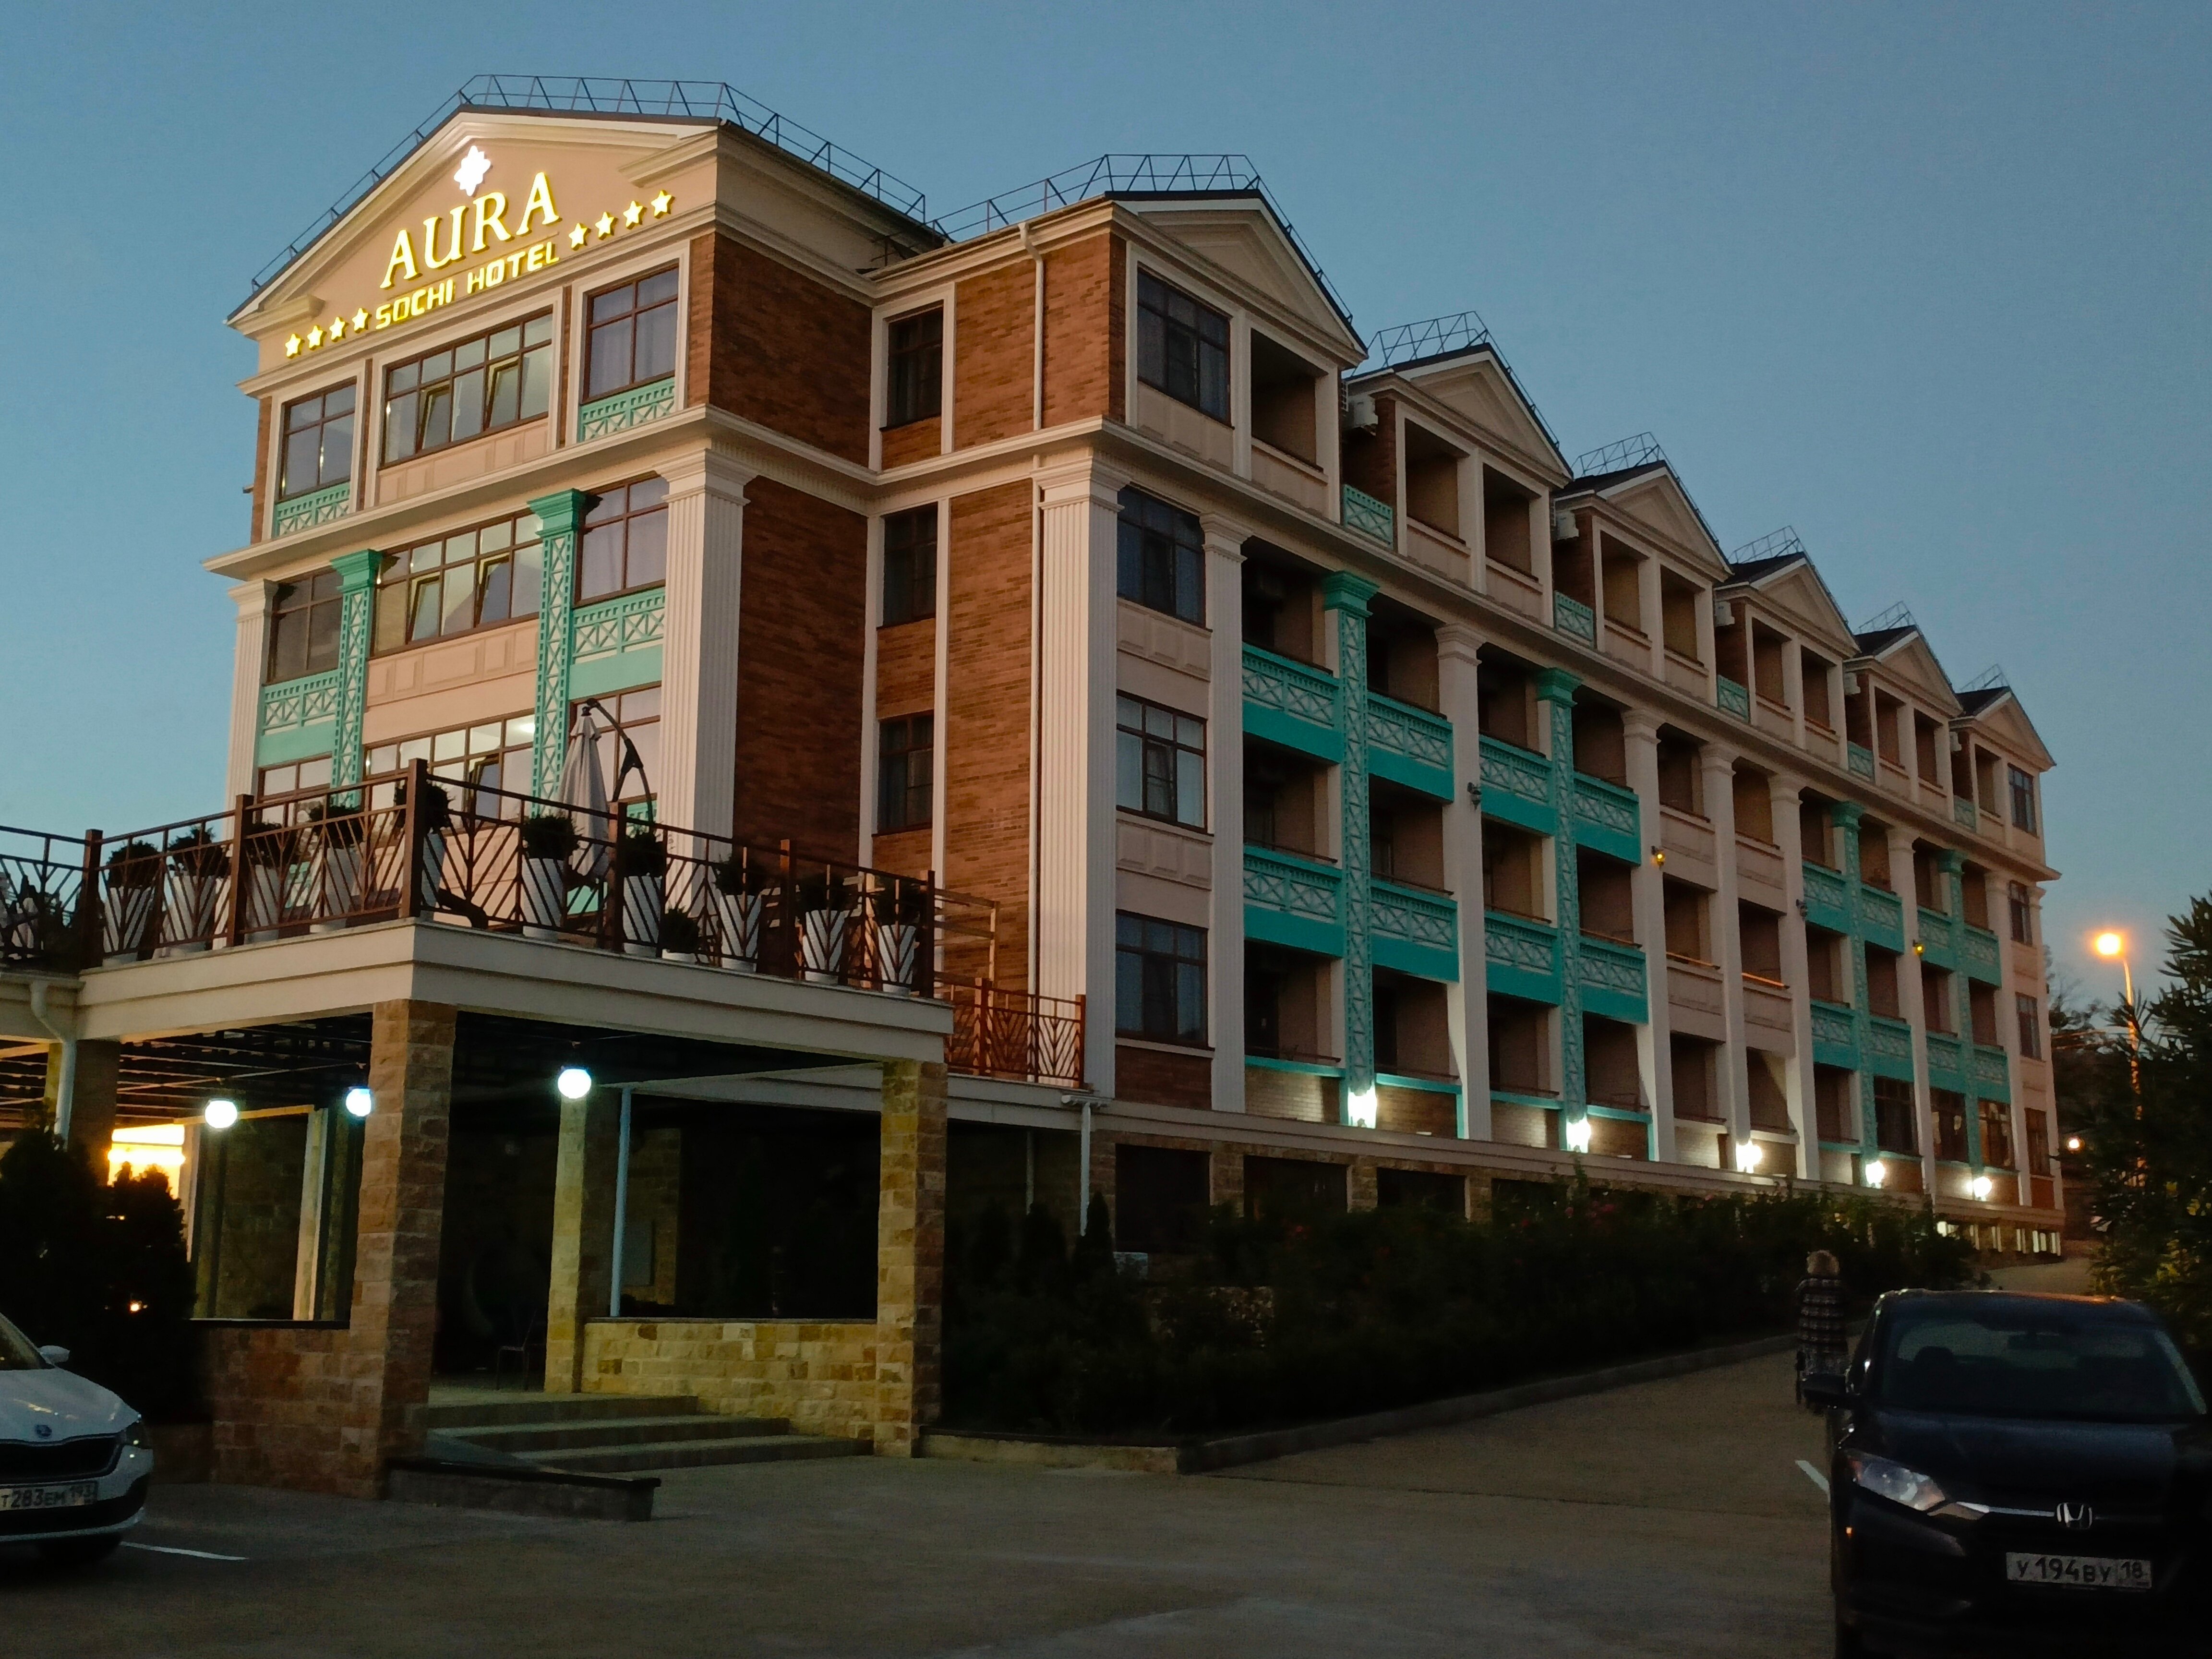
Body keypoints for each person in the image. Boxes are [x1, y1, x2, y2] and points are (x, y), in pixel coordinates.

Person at [1793, 1249, 1848, 1406]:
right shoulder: (1839, 1286)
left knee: (1813, 1365)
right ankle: (1830, 1397)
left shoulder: (1806, 1284)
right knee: (1832, 1368)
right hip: (1834, 1336)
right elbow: (1848, 1306)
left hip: (1810, 1336)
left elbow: (1796, 1303)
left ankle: (1813, 1396)